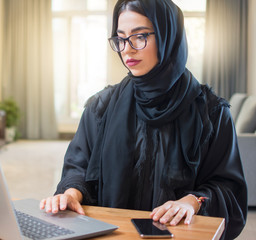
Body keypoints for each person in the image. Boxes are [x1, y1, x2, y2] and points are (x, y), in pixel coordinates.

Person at [40, 0, 247, 239]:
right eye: (120, 38)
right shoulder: (101, 107)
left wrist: (192, 201)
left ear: (168, 36)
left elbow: (229, 190)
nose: (127, 49)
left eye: (139, 36)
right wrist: (71, 193)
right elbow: (78, 167)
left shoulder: (211, 113)